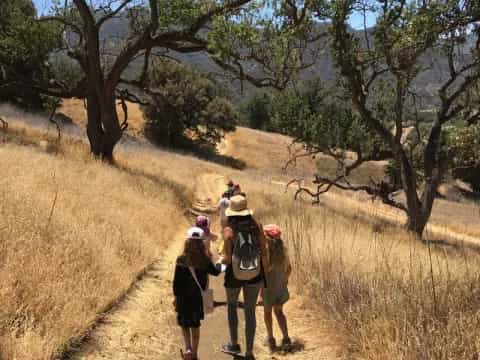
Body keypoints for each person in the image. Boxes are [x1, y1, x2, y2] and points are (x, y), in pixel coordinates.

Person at [220, 195, 269, 360]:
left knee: (232, 306)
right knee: (250, 311)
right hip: (255, 274)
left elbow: (227, 258)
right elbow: (264, 252)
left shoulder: (228, 229)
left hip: (234, 274)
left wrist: (222, 260)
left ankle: (234, 344)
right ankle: (249, 352)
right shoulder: (257, 226)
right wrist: (265, 276)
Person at [173, 227, 221, 360]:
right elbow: (216, 272)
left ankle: (187, 348)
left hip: (183, 297)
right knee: (195, 325)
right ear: (201, 243)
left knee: (184, 324)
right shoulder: (204, 260)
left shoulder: (181, 259)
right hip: (197, 299)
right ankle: (194, 353)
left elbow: (176, 282)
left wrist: (176, 297)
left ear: (187, 242)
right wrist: (221, 262)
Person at [262, 224, 292, 352]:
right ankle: (286, 339)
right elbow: (289, 269)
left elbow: (264, 271)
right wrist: (285, 280)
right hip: (280, 287)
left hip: (269, 288)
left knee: (267, 313)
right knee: (279, 313)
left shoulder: (266, 253)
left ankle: (271, 339)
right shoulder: (284, 251)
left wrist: (261, 289)